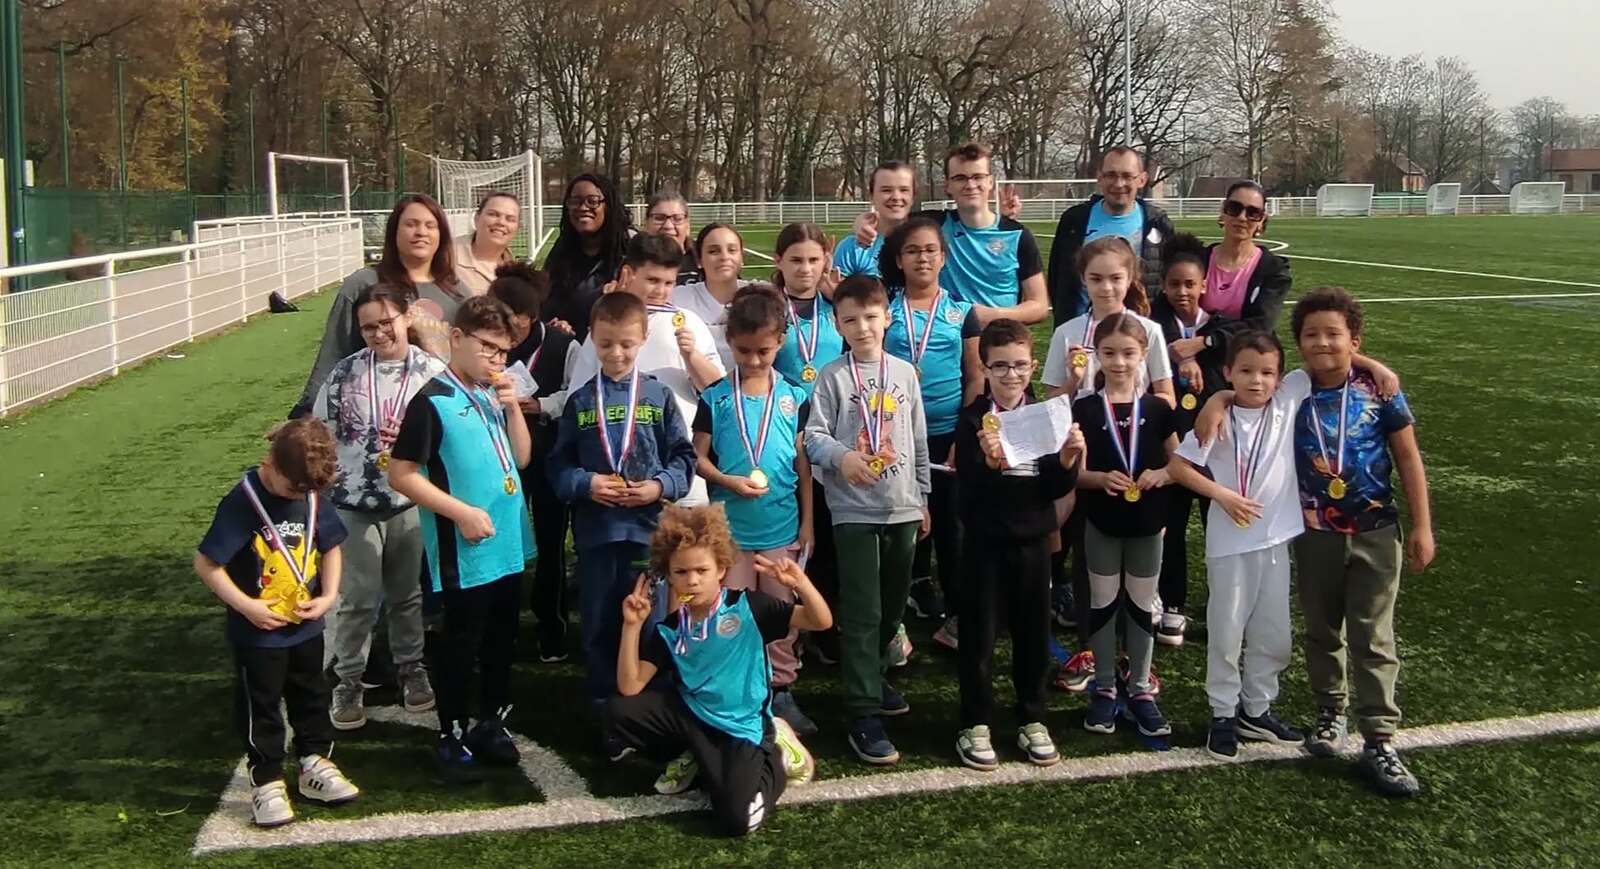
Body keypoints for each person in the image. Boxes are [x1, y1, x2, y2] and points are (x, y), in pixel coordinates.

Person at [1202, 287, 1434, 796]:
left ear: (1355, 340)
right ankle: (1331, 713)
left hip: (1375, 530)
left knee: (1373, 635)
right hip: (1314, 534)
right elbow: (1245, 386)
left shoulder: (1380, 390)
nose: (1323, 343)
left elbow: (1408, 457)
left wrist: (1422, 526)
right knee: (1322, 630)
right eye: (1312, 335)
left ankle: (1380, 738)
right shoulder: (1292, 389)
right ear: (1299, 344)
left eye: (1334, 334)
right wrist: (1217, 398)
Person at [387, 296, 538, 781]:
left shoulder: (491, 394)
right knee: (461, 643)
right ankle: (450, 734)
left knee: (501, 639)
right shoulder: (430, 401)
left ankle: (491, 722)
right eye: (487, 346)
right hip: (466, 550)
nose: (496, 358)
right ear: (456, 337)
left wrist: (513, 408)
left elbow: (522, 458)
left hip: (507, 544)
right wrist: (460, 513)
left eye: (503, 351)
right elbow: (400, 474)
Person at [610, 505, 830, 836]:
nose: (692, 580)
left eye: (702, 570)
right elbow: (630, 686)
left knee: (736, 821)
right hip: (694, 717)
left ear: (722, 569)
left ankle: (778, 756)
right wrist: (632, 626)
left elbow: (820, 621)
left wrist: (801, 584)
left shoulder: (750, 606)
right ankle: (693, 754)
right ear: (669, 575)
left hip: (741, 725)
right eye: (681, 572)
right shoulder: (671, 627)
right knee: (618, 712)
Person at [547, 291, 698, 746]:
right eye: (606, 343)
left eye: (627, 344)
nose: (616, 353)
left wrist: (659, 487)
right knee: (598, 623)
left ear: (643, 338)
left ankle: (649, 709)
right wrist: (587, 483)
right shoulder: (580, 401)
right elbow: (558, 466)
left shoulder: (658, 395)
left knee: (650, 624)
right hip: (598, 536)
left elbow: (684, 459)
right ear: (592, 338)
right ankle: (604, 711)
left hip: (649, 537)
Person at [193, 418, 359, 828]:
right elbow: (206, 563)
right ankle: (266, 780)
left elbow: (331, 547)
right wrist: (246, 606)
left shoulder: (311, 495)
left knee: (312, 695)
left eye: (306, 491)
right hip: (258, 634)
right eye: (292, 490)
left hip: (306, 627)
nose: (299, 497)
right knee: (262, 706)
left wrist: (328, 596)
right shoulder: (243, 502)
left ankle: (314, 762)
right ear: (271, 463)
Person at [803, 275, 930, 765]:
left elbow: (917, 437)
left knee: (893, 607)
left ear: (887, 318)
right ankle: (862, 711)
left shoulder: (905, 373)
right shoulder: (833, 376)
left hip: (902, 506)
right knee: (862, 610)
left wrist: (923, 496)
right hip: (853, 509)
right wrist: (843, 458)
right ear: (837, 324)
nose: (862, 328)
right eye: (850, 320)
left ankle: (873, 676)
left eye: (870, 317)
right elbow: (814, 437)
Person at [1166, 331, 1308, 761]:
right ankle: (1223, 714)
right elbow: (1178, 467)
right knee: (1226, 632)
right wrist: (1222, 496)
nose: (1256, 381)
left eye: (1267, 373)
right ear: (1228, 372)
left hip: (1276, 541)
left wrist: (1376, 369)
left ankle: (1257, 709)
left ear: (1280, 378)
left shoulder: (1287, 401)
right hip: (1228, 545)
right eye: (1245, 371)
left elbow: (1331, 360)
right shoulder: (1217, 418)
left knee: (1274, 635)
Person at [951, 319, 1084, 771]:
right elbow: (968, 488)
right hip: (985, 545)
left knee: (1033, 635)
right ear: (985, 368)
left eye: (1020, 366)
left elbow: (1053, 486)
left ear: (1033, 366)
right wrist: (990, 464)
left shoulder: (1046, 416)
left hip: (1033, 544)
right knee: (980, 637)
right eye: (1001, 366)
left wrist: (1067, 459)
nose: (1011, 375)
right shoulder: (972, 419)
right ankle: (975, 722)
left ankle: (1033, 716)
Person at [311, 285, 444, 730]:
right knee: (357, 598)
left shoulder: (433, 372)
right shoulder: (345, 373)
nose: (379, 332)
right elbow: (321, 432)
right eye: (368, 327)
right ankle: (349, 678)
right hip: (353, 503)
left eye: (386, 322)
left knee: (408, 595)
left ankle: (411, 668)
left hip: (411, 501)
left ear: (406, 317)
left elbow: (450, 437)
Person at [691, 285, 817, 737]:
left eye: (764, 351)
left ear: (780, 341)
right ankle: (737, 693)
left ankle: (781, 689)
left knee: (782, 616)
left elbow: (803, 466)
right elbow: (697, 458)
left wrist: (808, 522)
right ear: (729, 342)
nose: (754, 360)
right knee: (734, 617)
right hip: (731, 535)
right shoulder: (715, 397)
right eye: (743, 351)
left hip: (782, 530)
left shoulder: (795, 397)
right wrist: (727, 482)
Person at [1072, 314, 1179, 739]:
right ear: (1097, 355)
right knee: (1102, 604)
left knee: (1140, 604)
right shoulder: (1084, 409)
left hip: (1148, 523)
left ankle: (1139, 690)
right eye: (1110, 353)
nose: (1119, 362)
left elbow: (1179, 464)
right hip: (1101, 521)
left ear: (1144, 355)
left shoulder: (1158, 409)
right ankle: (1103, 687)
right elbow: (1075, 474)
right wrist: (1099, 479)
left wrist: (1162, 475)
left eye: (1129, 353)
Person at [877, 216, 982, 650]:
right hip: (895, 438)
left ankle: (957, 616)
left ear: (943, 257)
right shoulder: (884, 311)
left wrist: (963, 433)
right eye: (912, 251)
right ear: (899, 260)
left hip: (946, 435)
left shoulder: (962, 313)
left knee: (952, 528)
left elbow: (975, 377)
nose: (922, 257)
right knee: (902, 527)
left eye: (930, 250)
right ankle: (896, 618)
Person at [568, 233, 725, 506]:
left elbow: (719, 393)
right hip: (617, 478)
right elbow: (578, 398)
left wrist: (692, 356)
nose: (661, 291)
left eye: (669, 282)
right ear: (629, 274)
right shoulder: (606, 327)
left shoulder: (688, 322)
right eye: (652, 280)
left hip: (678, 474)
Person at [291, 194, 461, 418]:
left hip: (438, 414)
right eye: (411, 224)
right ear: (394, 232)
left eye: (431, 225)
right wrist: (307, 414)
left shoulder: (456, 292)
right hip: (370, 414)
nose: (421, 232)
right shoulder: (363, 283)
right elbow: (334, 352)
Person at [490, 263, 580, 663]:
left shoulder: (563, 345)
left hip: (549, 454)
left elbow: (575, 394)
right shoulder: (486, 346)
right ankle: (501, 627)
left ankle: (551, 627)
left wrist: (541, 404)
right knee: (501, 542)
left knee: (550, 543)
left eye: (515, 321)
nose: (507, 330)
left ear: (532, 316)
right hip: (498, 458)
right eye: (499, 319)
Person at [852, 143, 1048, 325]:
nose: (970, 185)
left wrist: (990, 316)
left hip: (999, 342)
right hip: (945, 339)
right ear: (947, 185)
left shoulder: (1017, 235)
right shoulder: (933, 225)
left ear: (990, 182)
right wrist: (862, 222)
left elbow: (1039, 306)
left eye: (978, 177)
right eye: (960, 178)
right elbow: (890, 220)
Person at [1146, 234, 1225, 647]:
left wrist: (1198, 352)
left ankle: (1221, 606)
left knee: (1217, 530)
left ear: (1204, 286)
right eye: (1174, 284)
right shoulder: (1153, 327)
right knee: (1172, 528)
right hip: (1172, 445)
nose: (1182, 292)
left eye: (1190, 284)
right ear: (1163, 285)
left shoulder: (1221, 329)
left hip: (1215, 448)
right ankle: (1173, 604)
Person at [1044, 147, 1176, 327]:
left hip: (1139, 334)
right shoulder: (1074, 220)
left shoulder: (1158, 223)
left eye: (1127, 176)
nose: (1118, 184)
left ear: (1142, 180)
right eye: (1111, 175)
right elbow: (1056, 279)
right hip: (1081, 335)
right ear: (1099, 177)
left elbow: (1169, 283)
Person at [544, 173, 631, 342]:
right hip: (566, 349)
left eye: (592, 201)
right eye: (575, 201)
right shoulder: (561, 251)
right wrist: (554, 326)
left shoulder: (628, 250)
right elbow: (545, 305)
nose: (583, 208)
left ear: (608, 205)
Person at [674, 222, 748, 370]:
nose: (724, 257)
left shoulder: (761, 295)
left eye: (732, 250)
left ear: (742, 257)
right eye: (714, 251)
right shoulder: (678, 298)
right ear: (699, 261)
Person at [833, 161, 916, 279]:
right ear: (871, 196)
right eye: (886, 190)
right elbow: (837, 289)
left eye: (904, 190)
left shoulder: (930, 245)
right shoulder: (851, 248)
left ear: (913, 196)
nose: (896, 197)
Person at [644, 191, 701, 285]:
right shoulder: (633, 261)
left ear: (687, 224)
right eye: (659, 218)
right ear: (646, 222)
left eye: (677, 219)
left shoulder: (703, 259)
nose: (668, 226)